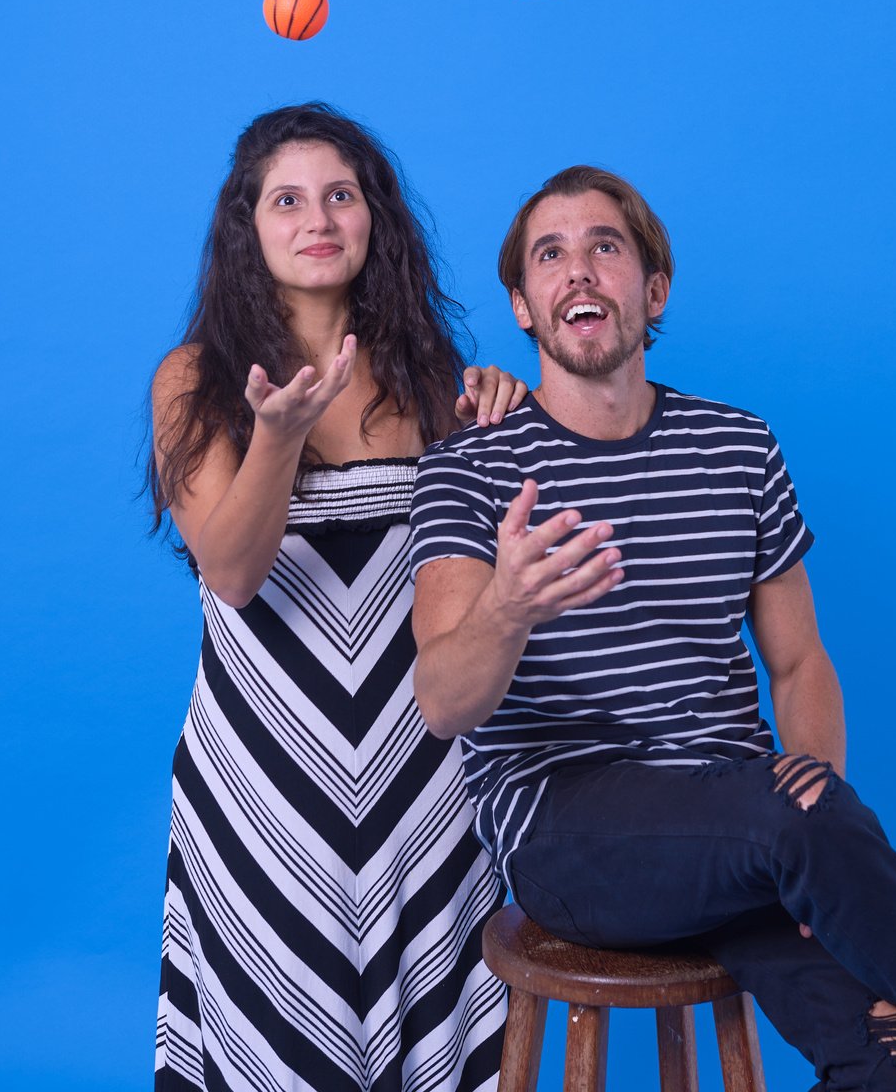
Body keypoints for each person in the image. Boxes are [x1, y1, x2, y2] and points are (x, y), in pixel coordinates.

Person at [409, 164, 896, 1092]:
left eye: (604, 247)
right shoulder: (473, 467)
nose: (578, 271)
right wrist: (509, 607)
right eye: (550, 255)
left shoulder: (738, 447)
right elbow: (444, 703)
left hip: (743, 824)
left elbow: (801, 661)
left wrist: (826, 853)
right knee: (786, 824)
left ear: (652, 289)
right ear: (523, 306)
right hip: (566, 832)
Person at [148, 102, 524, 1092]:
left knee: (440, 1033)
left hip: (427, 783)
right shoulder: (194, 380)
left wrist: (505, 425)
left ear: (373, 219)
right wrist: (279, 434)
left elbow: (472, 582)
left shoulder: (434, 378)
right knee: (278, 1036)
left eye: (339, 194)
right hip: (263, 785)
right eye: (286, 199)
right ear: (250, 227)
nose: (316, 217)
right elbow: (231, 573)